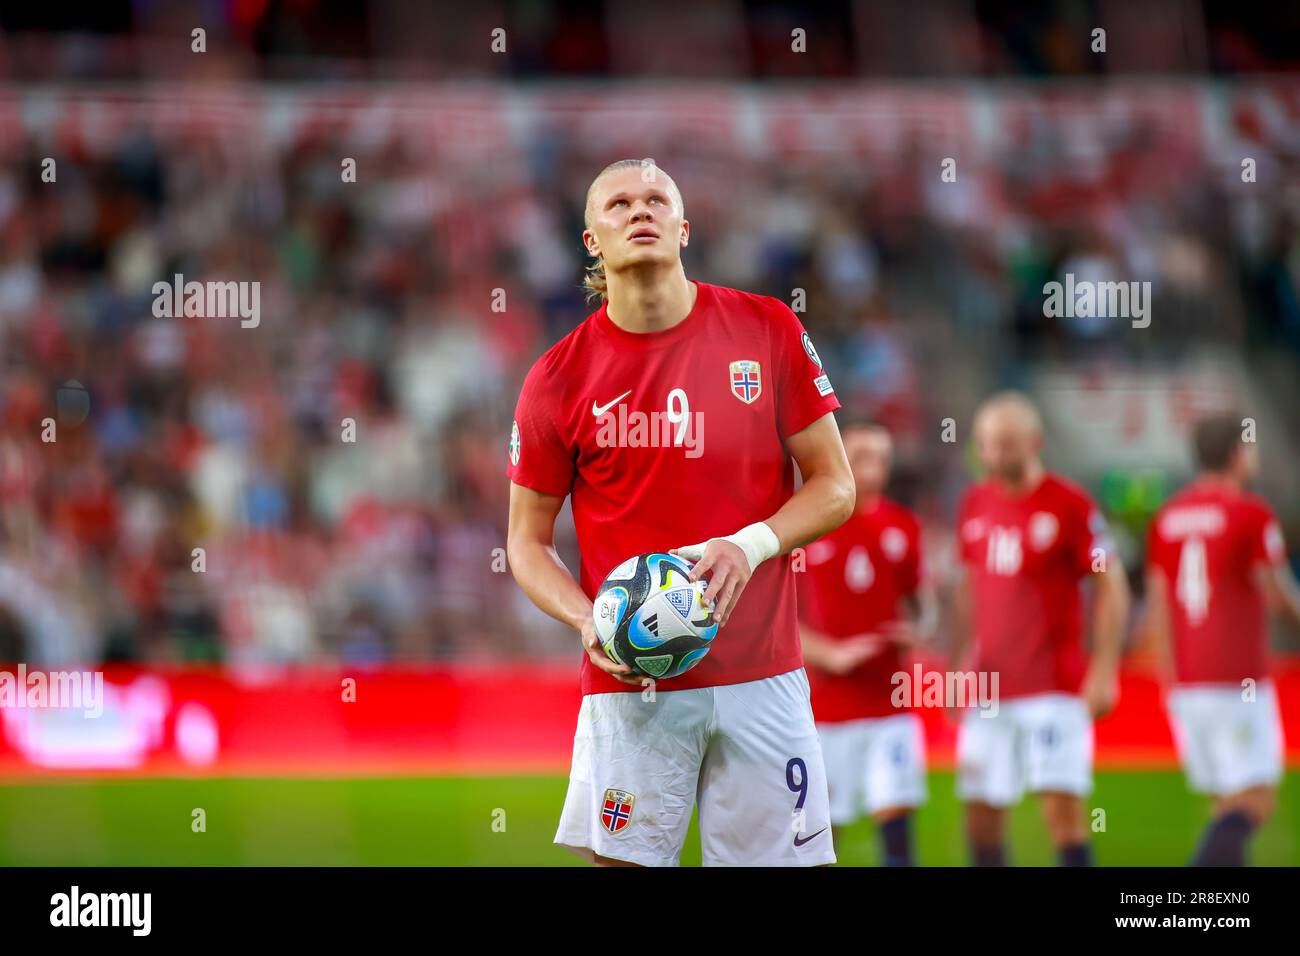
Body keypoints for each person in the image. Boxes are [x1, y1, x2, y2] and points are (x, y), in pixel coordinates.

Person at [505, 159, 855, 866]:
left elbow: (834, 484)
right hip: (630, 684)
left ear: (684, 228)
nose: (641, 210)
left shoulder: (766, 328)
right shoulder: (556, 379)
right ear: (591, 241)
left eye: (658, 199)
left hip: (764, 677)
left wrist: (750, 544)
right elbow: (526, 542)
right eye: (620, 204)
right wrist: (584, 619)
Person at [951, 391, 1130, 866]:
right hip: (989, 689)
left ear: (1035, 441)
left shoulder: (1069, 504)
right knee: (981, 818)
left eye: (1006, 444)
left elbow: (1111, 583)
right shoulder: (973, 503)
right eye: (987, 444)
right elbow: (970, 589)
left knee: (1063, 815)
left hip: (1055, 688)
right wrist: (958, 666)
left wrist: (1105, 667)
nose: (995, 455)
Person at [1145, 411, 1300, 866]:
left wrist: (1167, 677)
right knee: (1255, 801)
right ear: (1237, 452)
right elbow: (1277, 595)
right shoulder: (1251, 514)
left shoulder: (1168, 517)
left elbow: (1159, 603)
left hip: (1189, 681)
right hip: (1237, 679)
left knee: (1224, 804)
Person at [796, 420, 937, 865]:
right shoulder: (805, 525)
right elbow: (779, 622)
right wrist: (830, 654)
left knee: (896, 829)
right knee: (819, 837)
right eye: (860, 458)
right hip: (823, 710)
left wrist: (920, 629)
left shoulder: (904, 526)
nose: (872, 469)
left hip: (889, 705)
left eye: (880, 459)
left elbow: (924, 606)